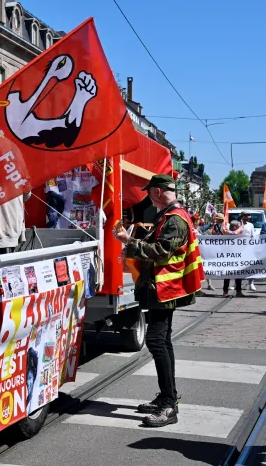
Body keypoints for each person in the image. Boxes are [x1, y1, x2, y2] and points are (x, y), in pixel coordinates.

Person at [114, 174, 203, 427]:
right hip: (163, 288)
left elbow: (162, 251)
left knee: (156, 340)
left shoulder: (175, 219)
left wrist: (128, 242)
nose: (148, 196)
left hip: (166, 288)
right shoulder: (170, 215)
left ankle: (168, 404)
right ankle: (167, 397)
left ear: (157, 191)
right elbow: (157, 246)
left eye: (149, 191)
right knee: (161, 340)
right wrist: (133, 244)